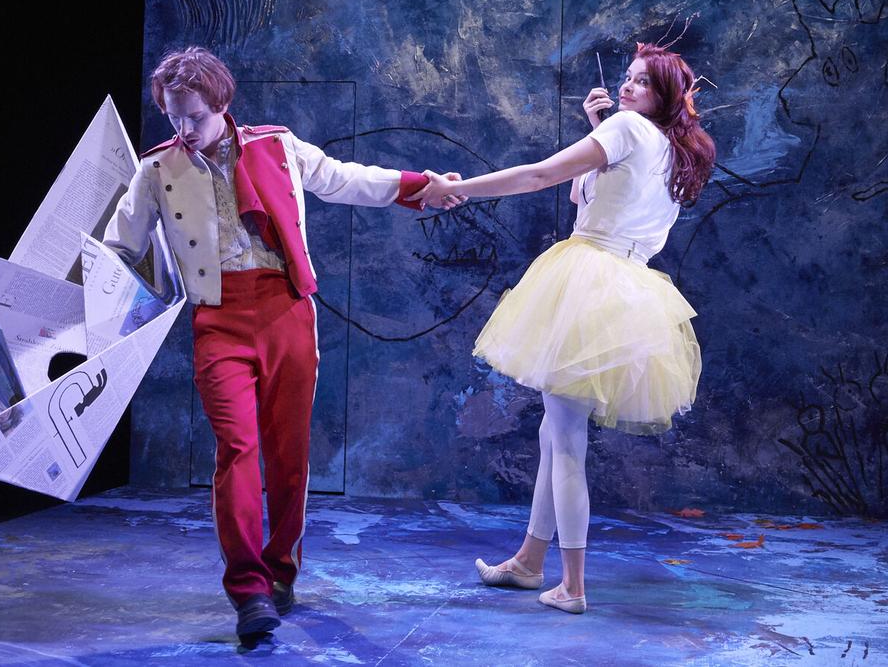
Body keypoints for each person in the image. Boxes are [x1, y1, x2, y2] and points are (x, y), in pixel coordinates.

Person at [102, 46, 462, 638]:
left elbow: (344, 179)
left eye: (195, 116)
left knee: (288, 454)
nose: (184, 129)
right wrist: (78, 302)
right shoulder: (157, 170)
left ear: (221, 103)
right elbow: (118, 250)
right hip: (217, 319)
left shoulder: (278, 146)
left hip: (286, 311)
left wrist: (422, 185)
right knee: (236, 449)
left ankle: (280, 571)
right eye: (173, 116)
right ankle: (248, 590)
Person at [412, 42, 716, 614]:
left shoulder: (628, 129)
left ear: (664, 96)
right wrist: (598, 128)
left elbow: (541, 176)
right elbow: (588, 194)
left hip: (589, 282)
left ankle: (572, 585)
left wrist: (457, 188)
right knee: (555, 433)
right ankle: (529, 561)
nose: (627, 87)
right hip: (628, 289)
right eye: (628, 77)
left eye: (642, 82)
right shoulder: (671, 151)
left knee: (567, 440)